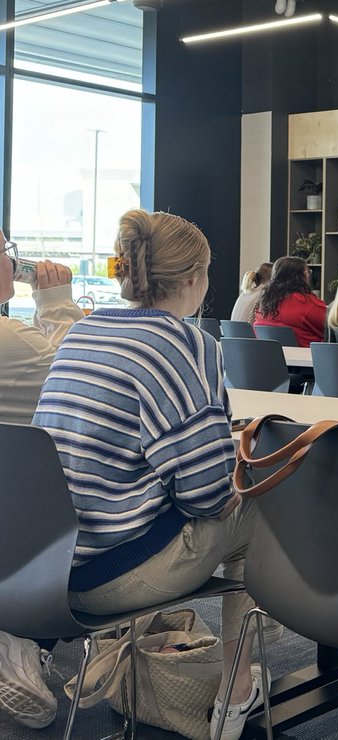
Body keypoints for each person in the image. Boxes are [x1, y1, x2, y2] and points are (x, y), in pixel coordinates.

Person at [29, 210, 267, 740]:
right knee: (262, 501)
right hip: (117, 577)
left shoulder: (83, 333)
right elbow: (208, 496)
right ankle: (237, 683)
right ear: (193, 278)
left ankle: (212, 674)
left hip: (49, 573)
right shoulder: (186, 344)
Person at [0, 231, 83, 730]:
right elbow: (73, 373)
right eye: (7, 254)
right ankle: (20, 637)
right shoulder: (8, 342)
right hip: (26, 534)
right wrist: (56, 302)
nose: (17, 262)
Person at [0, 228, 83, 425]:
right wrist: (56, 303)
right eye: (4, 251)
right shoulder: (7, 336)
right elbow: (79, 375)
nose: (13, 262)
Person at [253, 256, 326, 348]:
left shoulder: (263, 304)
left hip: (272, 359)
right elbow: (331, 330)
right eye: (308, 271)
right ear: (303, 275)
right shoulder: (308, 304)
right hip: (307, 359)